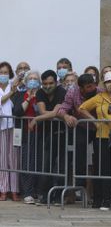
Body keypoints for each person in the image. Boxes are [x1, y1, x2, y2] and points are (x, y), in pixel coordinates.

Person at [79, 72, 111, 211]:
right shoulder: (99, 97)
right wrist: (95, 122)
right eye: (108, 82)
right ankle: (106, 200)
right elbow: (82, 108)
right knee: (105, 169)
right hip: (102, 136)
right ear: (104, 84)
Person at [57, 73, 102, 207]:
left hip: (99, 128)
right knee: (79, 148)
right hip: (82, 127)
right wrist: (66, 117)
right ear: (81, 88)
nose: (92, 88)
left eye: (93, 85)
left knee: (100, 156)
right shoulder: (72, 93)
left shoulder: (99, 91)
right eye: (88, 87)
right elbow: (62, 109)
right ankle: (79, 183)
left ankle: (98, 192)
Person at [29, 70, 67, 205]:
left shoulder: (61, 91)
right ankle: (45, 195)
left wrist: (37, 119)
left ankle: (59, 196)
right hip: (45, 134)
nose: (47, 86)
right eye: (45, 83)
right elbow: (44, 111)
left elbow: (56, 112)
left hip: (62, 133)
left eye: (51, 83)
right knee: (46, 165)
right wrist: (45, 115)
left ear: (56, 83)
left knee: (62, 166)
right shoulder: (40, 92)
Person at [11, 71, 41, 204]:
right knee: (26, 162)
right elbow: (17, 112)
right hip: (24, 133)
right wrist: (28, 98)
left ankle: (37, 191)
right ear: (26, 81)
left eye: (35, 79)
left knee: (38, 162)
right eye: (31, 78)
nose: (33, 81)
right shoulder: (21, 94)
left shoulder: (41, 95)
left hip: (40, 133)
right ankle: (27, 192)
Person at [0, 62, 20, 201]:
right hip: (1, 127)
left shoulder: (16, 87)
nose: (3, 75)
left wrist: (14, 91)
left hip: (13, 127)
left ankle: (14, 189)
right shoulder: (11, 90)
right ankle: (3, 189)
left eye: (6, 72)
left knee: (13, 158)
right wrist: (11, 92)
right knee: (2, 159)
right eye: (1, 73)